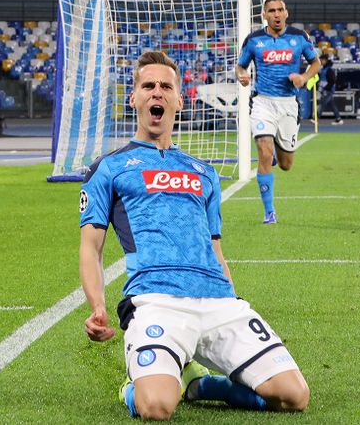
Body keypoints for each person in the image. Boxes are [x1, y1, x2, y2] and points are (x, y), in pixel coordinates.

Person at [80, 51, 309, 420]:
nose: (157, 93)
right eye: (148, 86)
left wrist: (232, 296)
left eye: (166, 86)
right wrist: (97, 305)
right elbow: (91, 246)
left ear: (179, 100)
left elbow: (215, 247)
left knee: (294, 395)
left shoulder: (204, 172)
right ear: (133, 97)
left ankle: (199, 385)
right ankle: (135, 386)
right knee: (155, 406)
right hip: (156, 299)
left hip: (218, 301)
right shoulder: (109, 168)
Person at [235, 0, 322, 224]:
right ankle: (269, 212)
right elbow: (240, 66)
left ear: (286, 13)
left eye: (279, 10)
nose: (276, 14)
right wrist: (242, 76)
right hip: (262, 102)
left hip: (288, 105)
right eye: (271, 10)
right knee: (263, 152)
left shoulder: (299, 37)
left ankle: (275, 152)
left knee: (286, 165)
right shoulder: (254, 40)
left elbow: (316, 63)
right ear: (264, 15)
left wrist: (303, 77)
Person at [318, 55, 342, 125]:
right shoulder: (323, 69)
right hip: (324, 89)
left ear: (325, 60)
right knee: (332, 105)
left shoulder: (329, 70)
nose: (320, 61)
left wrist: (326, 88)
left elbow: (332, 81)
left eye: (321, 60)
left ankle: (316, 118)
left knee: (322, 103)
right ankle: (338, 119)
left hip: (328, 90)